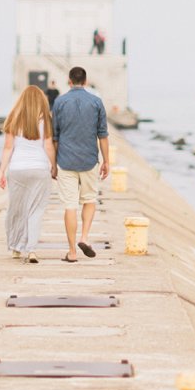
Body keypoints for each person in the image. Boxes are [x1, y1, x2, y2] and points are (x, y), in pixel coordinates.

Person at [51, 66, 109, 263]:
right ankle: (84, 238)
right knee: (89, 200)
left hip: (65, 160)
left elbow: (55, 137)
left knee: (70, 205)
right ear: (85, 81)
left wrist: (53, 164)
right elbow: (103, 135)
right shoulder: (96, 102)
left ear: (69, 81)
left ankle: (72, 252)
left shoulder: (59, 102)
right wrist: (107, 161)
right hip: (89, 160)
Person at [0, 85, 56, 264]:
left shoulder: (13, 118)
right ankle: (31, 250)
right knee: (36, 211)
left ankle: (16, 247)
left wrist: (2, 171)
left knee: (16, 209)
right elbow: (48, 145)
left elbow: (8, 148)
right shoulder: (45, 119)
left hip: (17, 169)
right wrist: (53, 166)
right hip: (39, 169)